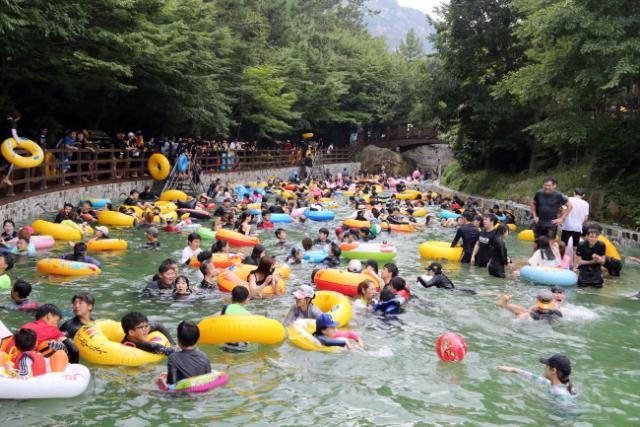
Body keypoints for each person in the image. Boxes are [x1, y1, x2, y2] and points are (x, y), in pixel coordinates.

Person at [156, 321, 212, 388]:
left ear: (178, 339)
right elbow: (210, 378)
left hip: (183, 391)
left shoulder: (173, 358)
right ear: (197, 339)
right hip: (201, 390)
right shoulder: (204, 356)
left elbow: (171, 384)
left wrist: (162, 381)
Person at [496, 354, 577, 400]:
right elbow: (535, 378)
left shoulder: (559, 393)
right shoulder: (565, 385)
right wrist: (513, 370)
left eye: (547, 366)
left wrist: (537, 395)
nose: (545, 368)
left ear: (553, 370)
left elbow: (561, 406)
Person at [495, 289, 563, 322]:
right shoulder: (558, 313)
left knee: (524, 314)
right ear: (552, 301)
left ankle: (505, 304)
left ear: (537, 300)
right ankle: (504, 304)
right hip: (548, 319)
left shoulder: (529, 313)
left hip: (532, 319)